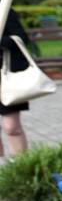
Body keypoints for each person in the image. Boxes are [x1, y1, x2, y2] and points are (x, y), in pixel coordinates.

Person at [0, 11, 33, 161]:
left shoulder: (4, 8)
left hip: (7, 77)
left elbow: (21, 38)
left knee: (11, 127)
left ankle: (21, 168)